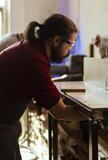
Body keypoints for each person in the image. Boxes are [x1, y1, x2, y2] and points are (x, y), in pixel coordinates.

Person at [0, 13, 86, 160]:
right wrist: (94, 115)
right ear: (56, 40)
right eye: (70, 44)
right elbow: (60, 112)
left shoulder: (30, 48)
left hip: (7, 123)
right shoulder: (35, 59)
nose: (70, 52)